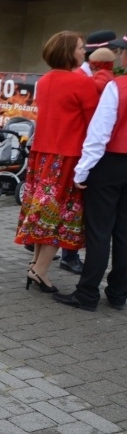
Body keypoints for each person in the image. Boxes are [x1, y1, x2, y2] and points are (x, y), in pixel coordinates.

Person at [14, 31, 99, 293]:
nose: (84, 52)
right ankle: (40, 270)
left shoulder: (45, 80)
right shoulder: (81, 82)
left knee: (42, 211)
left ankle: (35, 264)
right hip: (67, 155)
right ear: (68, 51)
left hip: (43, 154)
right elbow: (95, 123)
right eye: (80, 48)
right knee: (58, 214)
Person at [54, 41, 127, 312]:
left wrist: (82, 170)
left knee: (99, 231)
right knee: (124, 232)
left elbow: (99, 132)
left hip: (111, 163)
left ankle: (87, 293)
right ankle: (118, 293)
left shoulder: (117, 86)